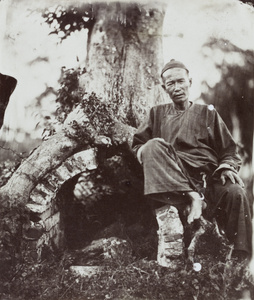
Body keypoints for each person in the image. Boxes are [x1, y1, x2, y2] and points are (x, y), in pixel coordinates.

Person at [132, 59, 252, 257]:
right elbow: (138, 146)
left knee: (236, 193)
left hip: (208, 180)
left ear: (190, 82)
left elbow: (229, 150)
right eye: (171, 84)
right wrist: (152, 155)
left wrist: (227, 167)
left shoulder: (208, 113)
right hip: (173, 182)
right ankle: (193, 197)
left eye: (181, 81)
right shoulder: (156, 114)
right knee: (152, 145)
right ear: (164, 88)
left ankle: (240, 258)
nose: (177, 87)